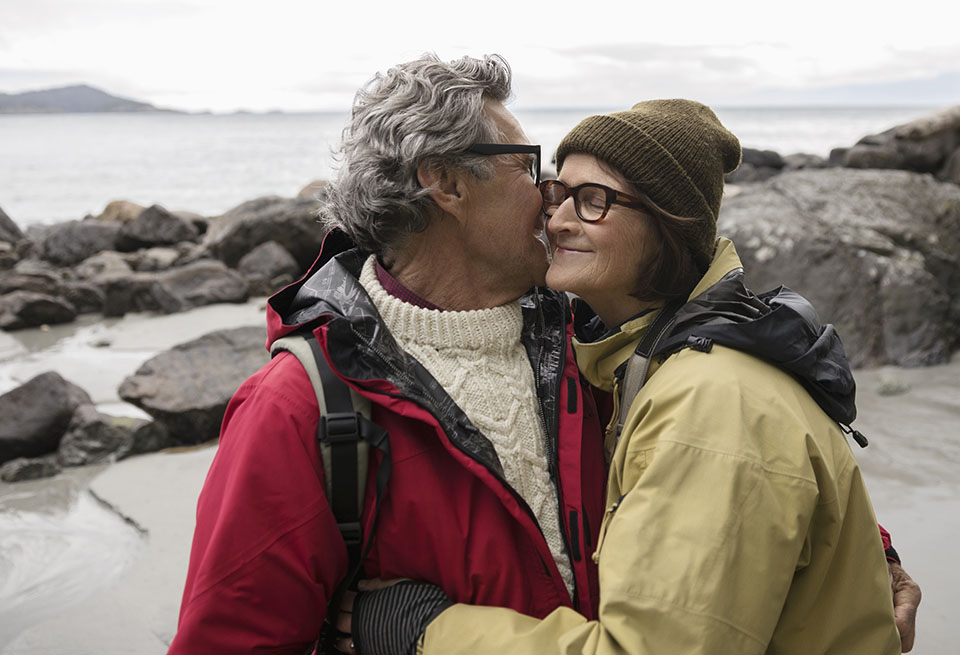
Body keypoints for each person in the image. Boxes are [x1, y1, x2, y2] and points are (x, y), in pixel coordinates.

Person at [342, 100, 912, 654]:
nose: (558, 220)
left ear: (669, 227)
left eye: (594, 201)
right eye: (557, 193)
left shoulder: (708, 401)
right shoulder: (629, 359)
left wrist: (424, 632)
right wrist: (868, 553)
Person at [168, 53, 607, 653]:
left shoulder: (593, 348)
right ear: (447, 182)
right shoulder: (299, 408)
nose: (551, 194)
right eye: (527, 167)